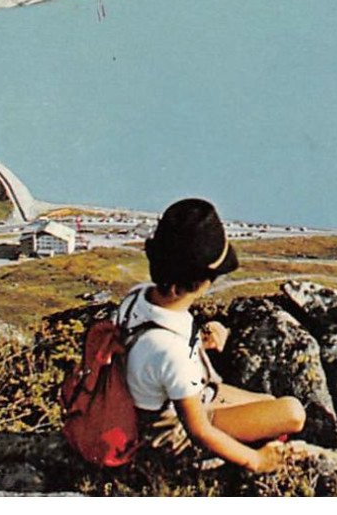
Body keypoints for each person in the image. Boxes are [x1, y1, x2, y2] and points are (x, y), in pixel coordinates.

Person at [118, 197, 306, 473]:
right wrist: (256, 460)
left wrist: (200, 344)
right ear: (202, 281)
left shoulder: (138, 296)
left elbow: (152, 360)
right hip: (170, 436)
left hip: (154, 404)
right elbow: (199, 431)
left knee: (268, 404)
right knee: (292, 413)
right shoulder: (170, 351)